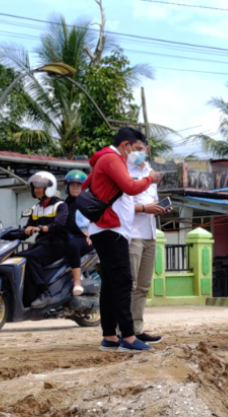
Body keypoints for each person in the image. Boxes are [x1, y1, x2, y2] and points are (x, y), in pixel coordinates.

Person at [84, 127, 162, 353]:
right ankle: (127, 338)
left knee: (110, 283)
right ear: (126, 145)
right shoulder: (112, 158)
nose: (138, 153)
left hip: (110, 227)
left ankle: (109, 337)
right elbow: (130, 186)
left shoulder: (105, 159)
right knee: (123, 282)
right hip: (111, 228)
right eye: (136, 148)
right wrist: (150, 179)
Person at [127, 142, 170, 344]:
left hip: (150, 234)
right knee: (130, 285)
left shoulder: (151, 174)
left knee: (143, 286)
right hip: (132, 235)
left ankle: (137, 329)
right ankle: (124, 331)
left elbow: (153, 202)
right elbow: (122, 206)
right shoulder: (124, 171)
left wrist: (160, 209)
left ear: (148, 149)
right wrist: (145, 208)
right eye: (133, 147)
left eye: (141, 148)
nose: (138, 152)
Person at [16, 171, 69, 308]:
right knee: (18, 257)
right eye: (34, 187)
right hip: (42, 244)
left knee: (32, 257)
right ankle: (27, 297)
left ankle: (44, 293)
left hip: (58, 244)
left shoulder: (60, 206)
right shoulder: (36, 209)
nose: (36, 190)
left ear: (49, 188)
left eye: (40, 187)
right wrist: (10, 233)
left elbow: (58, 225)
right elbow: (27, 230)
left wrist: (39, 228)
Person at [63, 170, 93, 296]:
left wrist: (91, 233)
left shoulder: (89, 202)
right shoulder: (65, 203)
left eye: (78, 186)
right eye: (72, 185)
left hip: (86, 238)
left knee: (73, 246)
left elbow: (96, 219)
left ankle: (77, 283)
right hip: (68, 236)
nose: (75, 188)